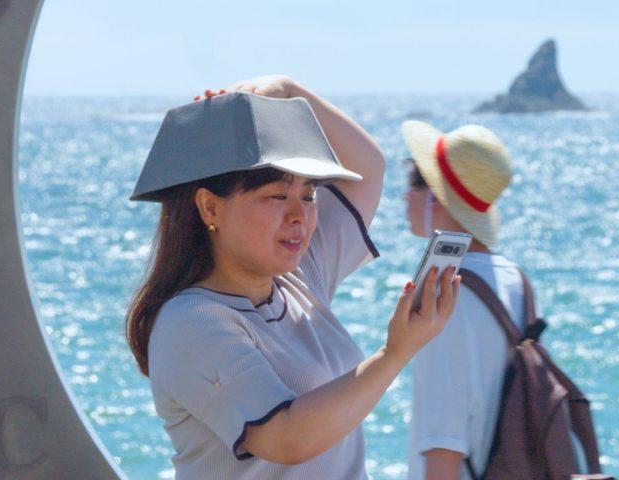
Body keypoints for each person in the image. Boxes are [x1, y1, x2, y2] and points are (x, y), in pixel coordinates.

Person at [126, 75, 460, 479]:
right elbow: (285, 439)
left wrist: (285, 90)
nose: (299, 216)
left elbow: (368, 169)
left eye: (309, 194)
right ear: (210, 208)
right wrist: (395, 353)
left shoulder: (300, 276)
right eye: (277, 196)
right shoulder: (192, 320)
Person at [400, 120, 522, 480]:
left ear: (437, 197)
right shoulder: (517, 280)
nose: (405, 196)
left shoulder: (446, 293)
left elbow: (444, 440)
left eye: (413, 184)